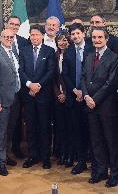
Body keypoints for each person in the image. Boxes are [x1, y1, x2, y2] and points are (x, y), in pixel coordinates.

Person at [82, 27, 118, 188]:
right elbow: (84, 78)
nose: (96, 40)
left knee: (111, 141)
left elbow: (111, 82)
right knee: (96, 140)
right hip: (90, 105)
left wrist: (95, 99)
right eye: (94, 37)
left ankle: (114, 173)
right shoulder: (89, 55)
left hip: (106, 106)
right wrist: (86, 96)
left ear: (106, 39)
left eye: (100, 37)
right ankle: (100, 170)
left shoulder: (114, 57)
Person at [0, 15, 30, 159]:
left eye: (16, 25)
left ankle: (9, 152)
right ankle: (0, 158)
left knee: (13, 125)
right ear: (6, 25)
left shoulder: (23, 42)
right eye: (11, 24)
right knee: (2, 128)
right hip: (2, 93)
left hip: (19, 92)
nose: (14, 27)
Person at [19, 25, 56, 169]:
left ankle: (45, 157)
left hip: (44, 95)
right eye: (32, 35)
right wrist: (29, 84)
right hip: (28, 95)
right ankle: (33, 155)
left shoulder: (49, 51)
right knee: (31, 126)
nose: (34, 37)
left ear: (42, 36)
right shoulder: (23, 51)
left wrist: (38, 85)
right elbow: (20, 70)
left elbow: (51, 71)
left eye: (37, 35)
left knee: (44, 126)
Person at [0, 29, 22, 176]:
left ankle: (5, 156)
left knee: (10, 130)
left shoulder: (13, 53)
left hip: (14, 99)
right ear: (0, 38)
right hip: (1, 101)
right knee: (1, 132)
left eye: (11, 37)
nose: (9, 38)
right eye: (6, 36)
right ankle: (0, 163)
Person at [62, 22, 94, 174]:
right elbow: (65, 74)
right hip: (73, 98)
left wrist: (84, 92)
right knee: (77, 131)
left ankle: (95, 162)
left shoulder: (92, 49)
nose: (75, 36)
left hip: (90, 97)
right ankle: (81, 161)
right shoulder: (67, 52)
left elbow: (93, 74)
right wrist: (75, 90)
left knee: (91, 130)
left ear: (83, 34)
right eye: (72, 34)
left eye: (77, 34)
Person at [53, 33, 70, 166]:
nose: (62, 43)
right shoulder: (54, 56)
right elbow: (52, 77)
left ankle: (70, 154)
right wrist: (58, 93)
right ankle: (62, 153)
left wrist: (66, 93)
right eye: (59, 40)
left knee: (70, 126)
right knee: (60, 127)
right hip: (57, 97)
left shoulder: (72, 55)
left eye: (64, 40)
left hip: (70, 96)